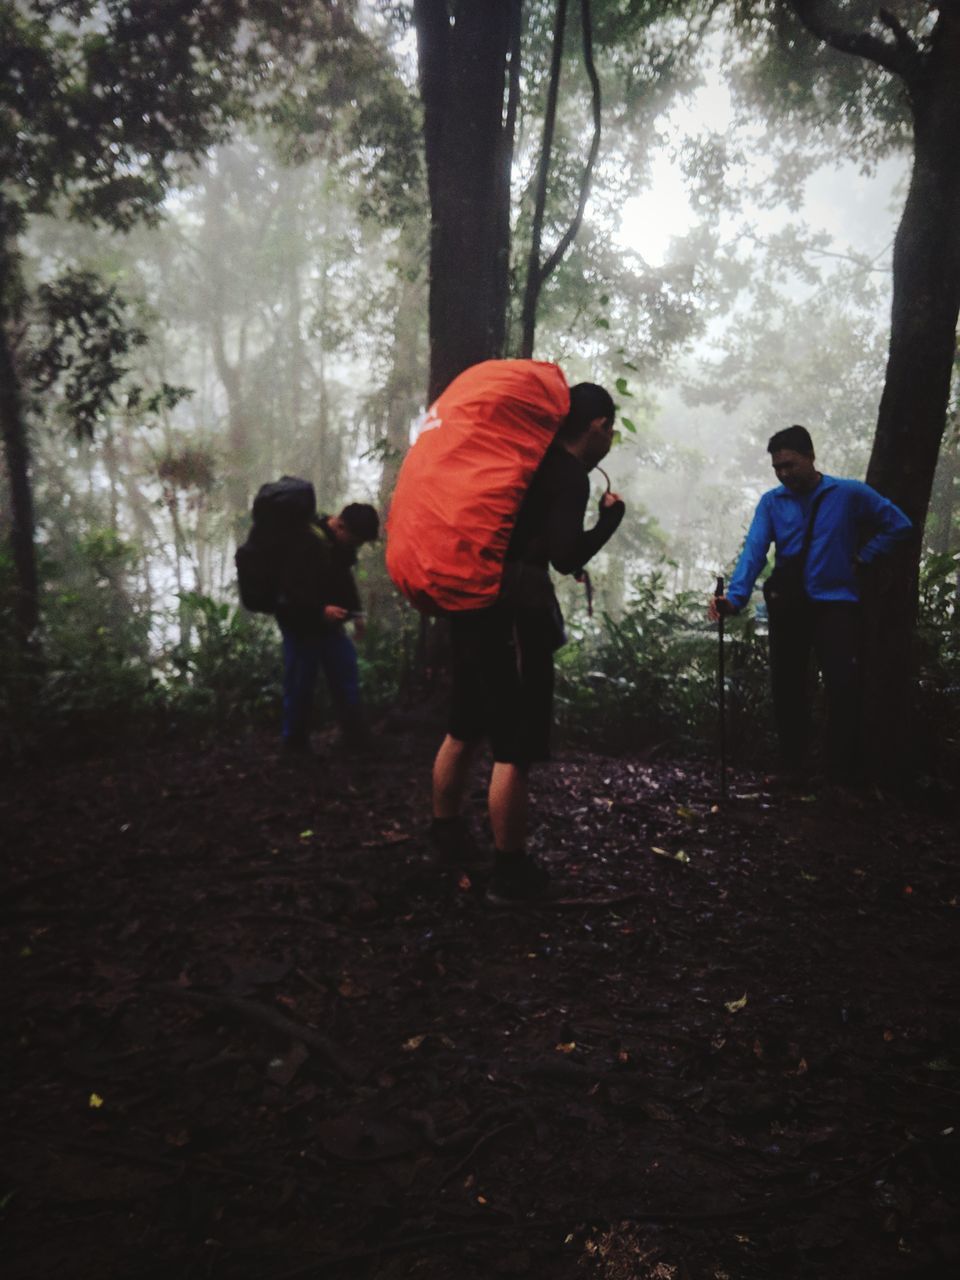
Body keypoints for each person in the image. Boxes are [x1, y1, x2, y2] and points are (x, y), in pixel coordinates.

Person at [430, 383, 626, 903]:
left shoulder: (521, 462)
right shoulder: (565, 474)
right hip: (516, 614)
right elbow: (565, 556)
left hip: (472, 600)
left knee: (465, 723)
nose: (611, 438)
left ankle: (446, 833)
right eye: (612, 429)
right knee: (515, 745)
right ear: (598, 426)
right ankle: (510, 870)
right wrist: (609, 520)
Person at [709, 425, 911, 785]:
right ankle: (792, 768)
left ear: (810, 456)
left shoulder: (848, 494)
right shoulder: (772, 502)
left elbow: (898, 524)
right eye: (777, 468)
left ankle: (839, 773)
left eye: (790, 465)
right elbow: (754, 551)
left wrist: (865, 558)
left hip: (837, 606)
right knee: (787, 687)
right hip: (789, 606)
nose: (784, 474)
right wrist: (735, 598)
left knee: (842, 686)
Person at [275, 502, 380, 754]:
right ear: (341, 525)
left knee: (346, 677)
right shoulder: (305, 541)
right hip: (300, 626)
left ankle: (356, 740)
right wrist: (319, 610)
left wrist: (355, 614)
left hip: (329, 627)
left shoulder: (339, 545)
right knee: (300, 684)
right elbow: (287, 588)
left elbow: (342, 577)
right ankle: (294, 747)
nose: (355, 546)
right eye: (355, 540)